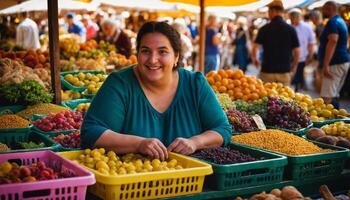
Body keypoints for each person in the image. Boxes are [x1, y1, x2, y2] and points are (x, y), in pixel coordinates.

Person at [81, 21, 231, 160]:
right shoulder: (120, 84)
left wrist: (195, 142)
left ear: (176, 57)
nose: (153, 60)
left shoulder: (195, 84)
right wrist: (138, 144)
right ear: (137, 54)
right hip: (133, 182)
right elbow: (91, 133)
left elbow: (222, 129)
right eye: (145, 51)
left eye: (163, 52)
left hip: (194, 181)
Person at [252, 0, 300, 86]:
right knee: (285, 98)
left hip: (267, 72)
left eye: (269, 11)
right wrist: (294, 65)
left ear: (273, 11)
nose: (268, 14)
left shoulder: (264, 29)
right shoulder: (291, 29)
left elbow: (255, 47)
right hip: (284, 72)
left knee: (266, 98)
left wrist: (255, 59)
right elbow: (297, 51)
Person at [318, 1, 350, 108]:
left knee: (327, 98)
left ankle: (333, 124)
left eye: (323, 9)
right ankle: (338, 123)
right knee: (333, 95)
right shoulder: (340, 21)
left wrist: (326, 65)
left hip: (335, 63)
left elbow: (333, 41)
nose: (322, 11)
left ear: (330, 8)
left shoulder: (332, 22)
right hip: (342, 61)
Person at [289, 8, 315, 92]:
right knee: (291, 77)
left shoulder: (307, 27)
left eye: (295, 17)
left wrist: (310, 55)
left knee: (299, 77)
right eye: (291, 17)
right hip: (290, 57)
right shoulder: (288, 27)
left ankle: (298, 91)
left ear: (299, 17)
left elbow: (311, 42)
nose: (292, 19)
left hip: (302, 57)